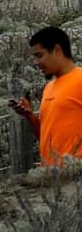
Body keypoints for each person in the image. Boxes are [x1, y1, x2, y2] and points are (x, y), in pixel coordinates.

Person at [11, 27, 82, 166]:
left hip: (75, 177)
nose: (36, 63)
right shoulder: (49, 88)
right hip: (52, 177)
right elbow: (44, 138)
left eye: (39, 55)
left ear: (57, 50)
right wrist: (29, 115)